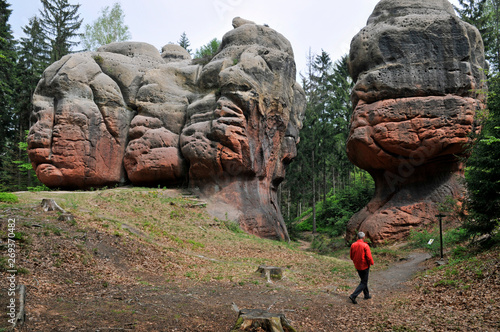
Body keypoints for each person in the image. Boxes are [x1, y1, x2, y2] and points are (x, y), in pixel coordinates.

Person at [349, 232, 374, 304]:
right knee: (364, 282)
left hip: (357, 265)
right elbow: (369, 257)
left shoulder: (353, 245)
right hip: (365, 266)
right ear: (363, 238)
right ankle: (353, 295)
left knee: (363, 280)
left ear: (357, 237)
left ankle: (366, 295)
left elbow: (351, 256)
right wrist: (371, 263)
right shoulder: (365, 245)